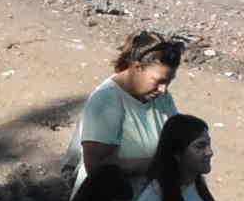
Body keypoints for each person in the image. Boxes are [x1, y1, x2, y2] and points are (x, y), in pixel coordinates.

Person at [78, 32, 184, 181]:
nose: (164, 89)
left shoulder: (161, 96)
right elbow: (96, 168)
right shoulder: (106, 101)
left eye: (169, 81)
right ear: (137, 67)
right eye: (159, 81)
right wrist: (159, 164)